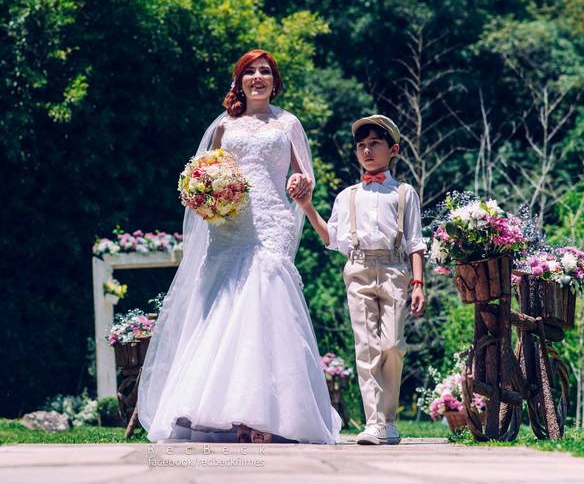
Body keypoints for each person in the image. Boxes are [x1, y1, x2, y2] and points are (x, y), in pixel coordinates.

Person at [137, 49, 342, 444]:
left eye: (265, 72)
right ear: (240, 81)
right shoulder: (223, 127)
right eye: (250, 72)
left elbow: (306, 175)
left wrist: (301, 185)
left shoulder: (288, 123)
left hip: (272, 220)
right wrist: (205, 195)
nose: (258, 78)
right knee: (224, 305)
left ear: (274, 82)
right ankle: (222, 412)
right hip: (229, 224)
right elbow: (205, 171)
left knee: (267, 301)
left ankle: (266, 417)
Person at [292, 114, 425, 445]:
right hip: (358, 269)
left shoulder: (404, 193)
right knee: (366, 347)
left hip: (394, 270)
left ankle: (389, 420)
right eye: (361, 145)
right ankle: (375, 422)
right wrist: (308, 207)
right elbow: (332, 238)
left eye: (375, 144)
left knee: (392, 345)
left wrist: (418, 283)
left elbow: (415, 242)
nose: (367, 150)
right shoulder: (347, 196)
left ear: (393, 150)